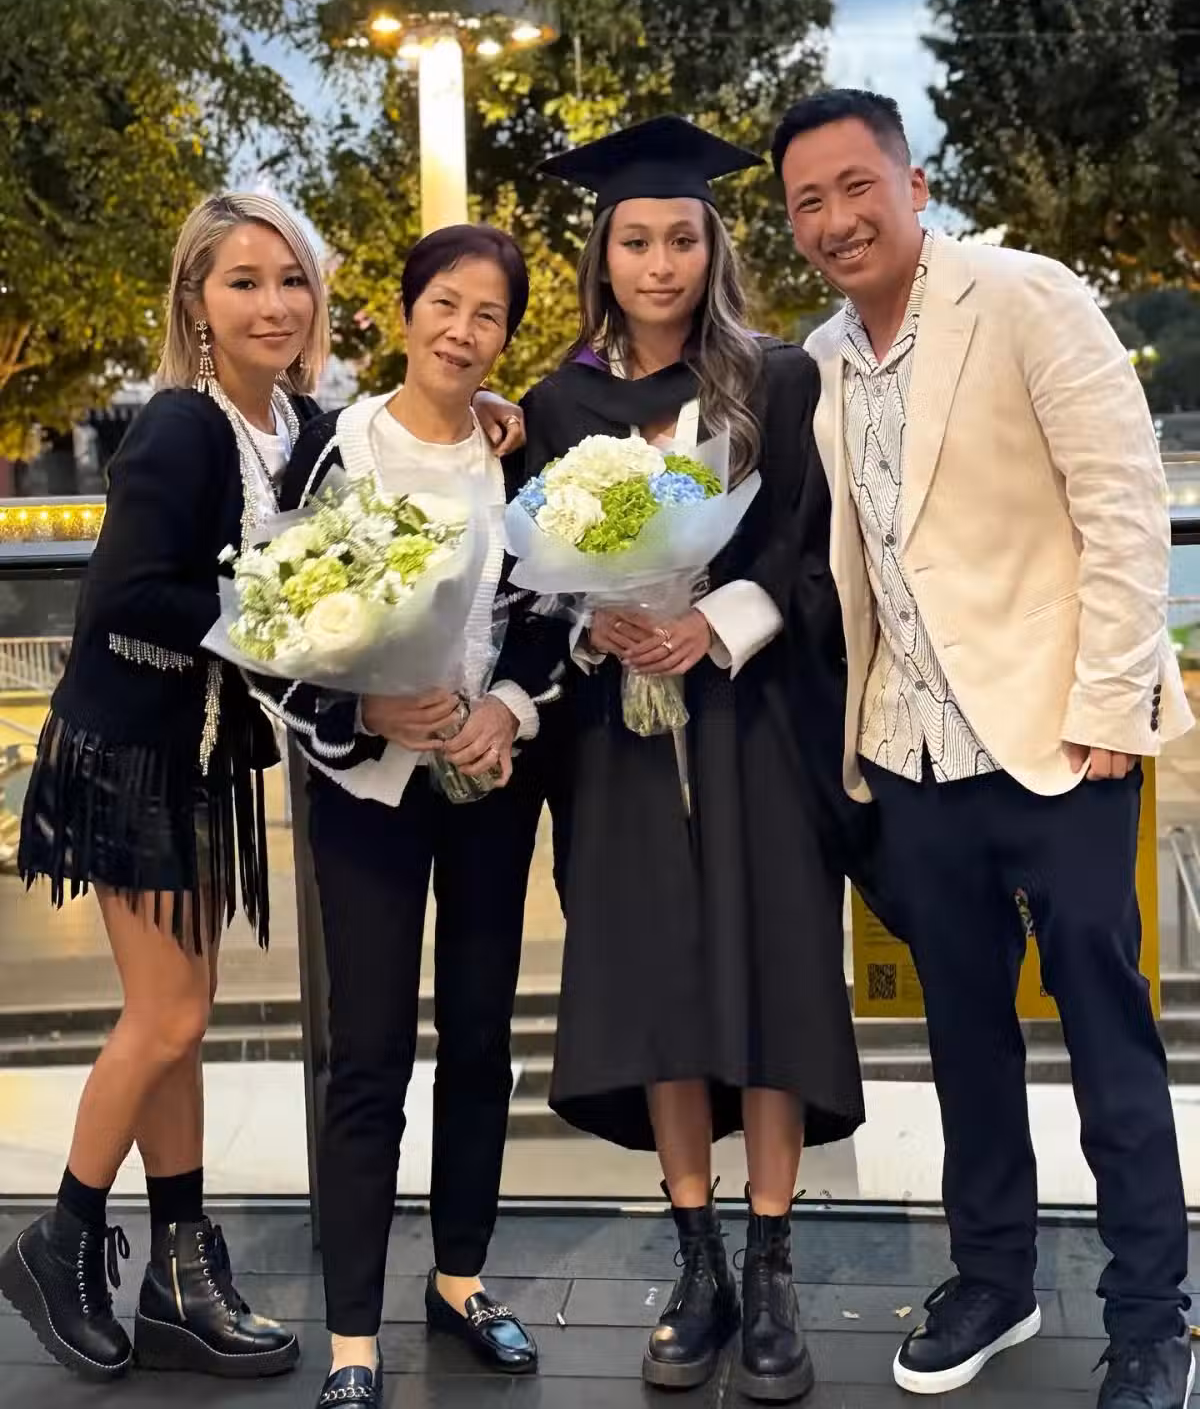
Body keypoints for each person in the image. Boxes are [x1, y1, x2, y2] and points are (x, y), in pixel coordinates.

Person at [773, 87, 1196, 1409]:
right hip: (911, 759)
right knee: (963, 1038)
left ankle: (1153, 1317)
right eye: (807, 203)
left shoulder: (1023, 296)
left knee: (1108, 1036)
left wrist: (1111, 709)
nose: (836, 220)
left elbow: (1122, 502)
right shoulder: (820, 359)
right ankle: (996, 1279)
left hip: (1061, 743)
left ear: (914, 185)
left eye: (856, 186)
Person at [525, 115, 869, 1403]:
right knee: (659, 986)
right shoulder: (557, 404)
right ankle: (698, 1262)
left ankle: (772, 1266)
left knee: (771, 977)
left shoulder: (773, 382)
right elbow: (529, 575)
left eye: (681, 238)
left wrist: (709, 625)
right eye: (636, 241)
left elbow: (809, 554)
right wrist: (598, 621)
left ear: (713, 247)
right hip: (619, 740)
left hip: (752, 723)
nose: (660, 264)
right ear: (602, 255)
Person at [0, 192, 327, 1383]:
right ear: (196, 302)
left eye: (291, 280)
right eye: (243, 281)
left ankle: (182, 1277)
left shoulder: (294, 422)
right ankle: (59, 1241)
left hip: (195, 755)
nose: (273, 304)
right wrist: (277, 615)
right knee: (170, 1018)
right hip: (129, 750)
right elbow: (125, 595)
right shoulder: (181, 427)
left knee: (181, 1021)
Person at [252, 224, 564, 1409]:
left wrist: (511, 710)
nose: (462, 332)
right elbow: (269, 624)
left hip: (485, 786)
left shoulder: (515, 459)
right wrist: (362, 709)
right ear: (402, 313)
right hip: (365, 797)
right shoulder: (335, 450)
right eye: (444, 304)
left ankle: (460, 1278)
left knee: (480, 1040)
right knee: (369, 1057)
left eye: (488, 316)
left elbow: (548, 614)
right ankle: (351, 1337)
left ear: (504, 338)